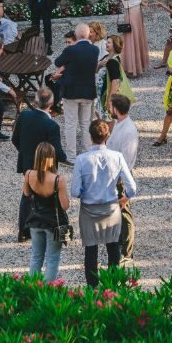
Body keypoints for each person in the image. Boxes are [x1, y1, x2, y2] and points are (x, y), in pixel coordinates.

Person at [70, 120, 138, 287]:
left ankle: (92, 288)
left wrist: (85, 193)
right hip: (111, 208)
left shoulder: (81, 160)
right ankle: (112, 286)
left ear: (90, 136)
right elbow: (132, 187)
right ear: (107, 136)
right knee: (113, 249)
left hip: (89, 210)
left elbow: (74, 191)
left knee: (91, 251)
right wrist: (125, 198)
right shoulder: (117, 157)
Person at [13, 87, 68, 241]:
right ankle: (51, 228)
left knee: (27, 196)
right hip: (46, 167)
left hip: (27, 165)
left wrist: (25, 154)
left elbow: (15, 139)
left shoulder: (24, 116)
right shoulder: (51, 126)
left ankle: (23, 231)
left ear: (36, 101)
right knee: (50, 198)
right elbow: (57, 152)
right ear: (51, 103)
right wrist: (67, 158)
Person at [23, 142, 71, 281]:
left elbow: (26, 193)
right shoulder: (58, 180)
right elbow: (65, 206)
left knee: (36, 257)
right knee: (52, 259)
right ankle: (48, 291)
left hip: (35, 220)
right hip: (54, 223)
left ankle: (32, 289)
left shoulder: (29, 174)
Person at [55, 23, 100, 163]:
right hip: (88, 91)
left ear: (76, 35)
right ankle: (88, 152)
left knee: (70, 124)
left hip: (71, 92)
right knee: (86, 123)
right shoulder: (95, 50)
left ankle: (72, 156)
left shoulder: (71, 50)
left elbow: (57, 62)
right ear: (88, 34)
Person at [106, 94, 139, 264]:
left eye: (110, 106)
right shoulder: (120, 125)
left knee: (125, 212)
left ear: (116, 109)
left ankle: (127, 251)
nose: (108, 109)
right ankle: (121, 243)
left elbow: (125, 160)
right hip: (115, 175)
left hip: (121, 177)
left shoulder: (128, 131)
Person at [118, 0, 150, 77]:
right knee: (131, 40)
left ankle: (139, 66)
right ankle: (130, 67)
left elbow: (137, 0)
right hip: (131, 16)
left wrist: (142, 3)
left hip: (138, 14)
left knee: (139, 38)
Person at [100, 35, 132, 118]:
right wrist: (99, 64)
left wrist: (109, 99)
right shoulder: (107, 58)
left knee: (107, 118)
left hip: (106, 93)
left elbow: (115, 82)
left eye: (109, 42)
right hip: (102, 91)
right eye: (107, 42)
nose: (106, 44)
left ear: (115, 45)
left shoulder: (112, 62)